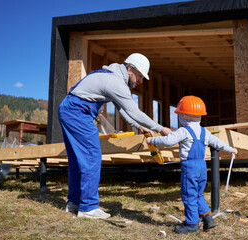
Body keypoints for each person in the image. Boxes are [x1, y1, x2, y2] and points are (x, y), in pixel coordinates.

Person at [58, 53, 172, 219]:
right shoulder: (115, 82)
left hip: (68, 109)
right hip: (78, 112)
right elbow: (133, 110)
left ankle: (74, 203)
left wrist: (139, 126)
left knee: (77, 159)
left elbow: (123, 110)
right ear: (130, 69)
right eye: (140, 76)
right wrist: (160, 128)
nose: (141, 81)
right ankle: (88, 208)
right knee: (92, 157)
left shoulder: (111, 77)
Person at [146, 96, 238, 234]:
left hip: (190, 167)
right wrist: (231, 149)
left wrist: (151, 139)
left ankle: (192, 224)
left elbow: (169, 140)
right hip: (202, 166)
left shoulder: (183, 131)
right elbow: (217, 143)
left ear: (182, 115)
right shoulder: (205, 132)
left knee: (189, 195)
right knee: (198, 194)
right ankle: (207, 218)